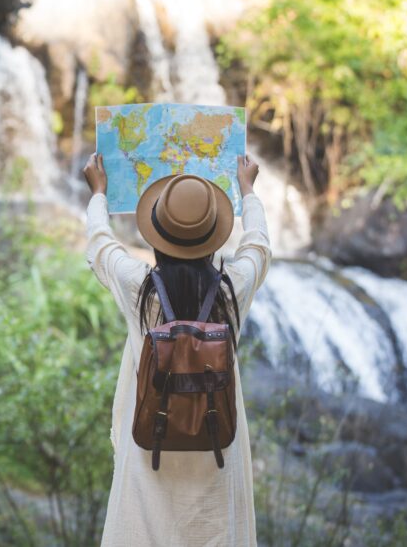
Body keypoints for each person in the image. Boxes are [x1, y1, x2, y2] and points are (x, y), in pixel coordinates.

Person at [82, 152, 271, 547]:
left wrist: (98, 193)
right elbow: (258, 247)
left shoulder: (139, 288)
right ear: (213, 238)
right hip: (217, 451)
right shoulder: (232, 289)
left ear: (158, 237)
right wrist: (248, 191)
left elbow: (101, 246)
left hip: (151, 451)